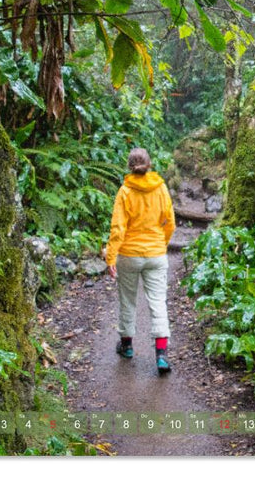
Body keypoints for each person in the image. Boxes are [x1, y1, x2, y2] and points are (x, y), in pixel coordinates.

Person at [103, 147, 176, 374]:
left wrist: (111, 257)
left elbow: (118, 228)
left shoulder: (125, 191)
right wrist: (160, 245)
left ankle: (127, 347)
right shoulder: (161, 188)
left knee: (127, 300)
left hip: (129, 254)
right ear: (149, 164)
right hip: (155, 253)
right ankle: (161, 356)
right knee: (158, 303)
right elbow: (170, 222)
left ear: (129, 166)